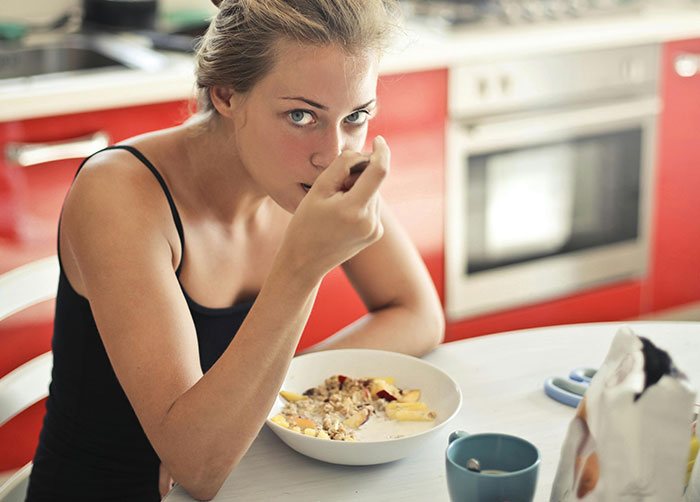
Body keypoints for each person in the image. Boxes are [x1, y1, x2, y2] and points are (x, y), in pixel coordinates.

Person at [26, 0, 444, 500]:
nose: (333, 154)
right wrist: (302, 268)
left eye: (355, 116)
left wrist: (268, 399)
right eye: (299, 114)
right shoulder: (119, 193)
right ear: (226, 94)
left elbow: (418, 313)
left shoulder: (316, 171)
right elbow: (198, 468)